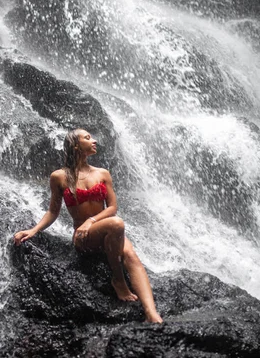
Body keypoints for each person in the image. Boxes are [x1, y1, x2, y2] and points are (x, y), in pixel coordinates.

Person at [13, 128, 163, 323]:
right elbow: (53, 211)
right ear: (76, 145)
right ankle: (118, 279)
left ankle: (151, 313)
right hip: (84, 238)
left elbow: (113, 207)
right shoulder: (59, 177)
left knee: (131, 255)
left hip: (105, 230)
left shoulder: (102, 174)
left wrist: (91, 220)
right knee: (117, 225)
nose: (94, 141)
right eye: (87, 138)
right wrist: (32, 230)